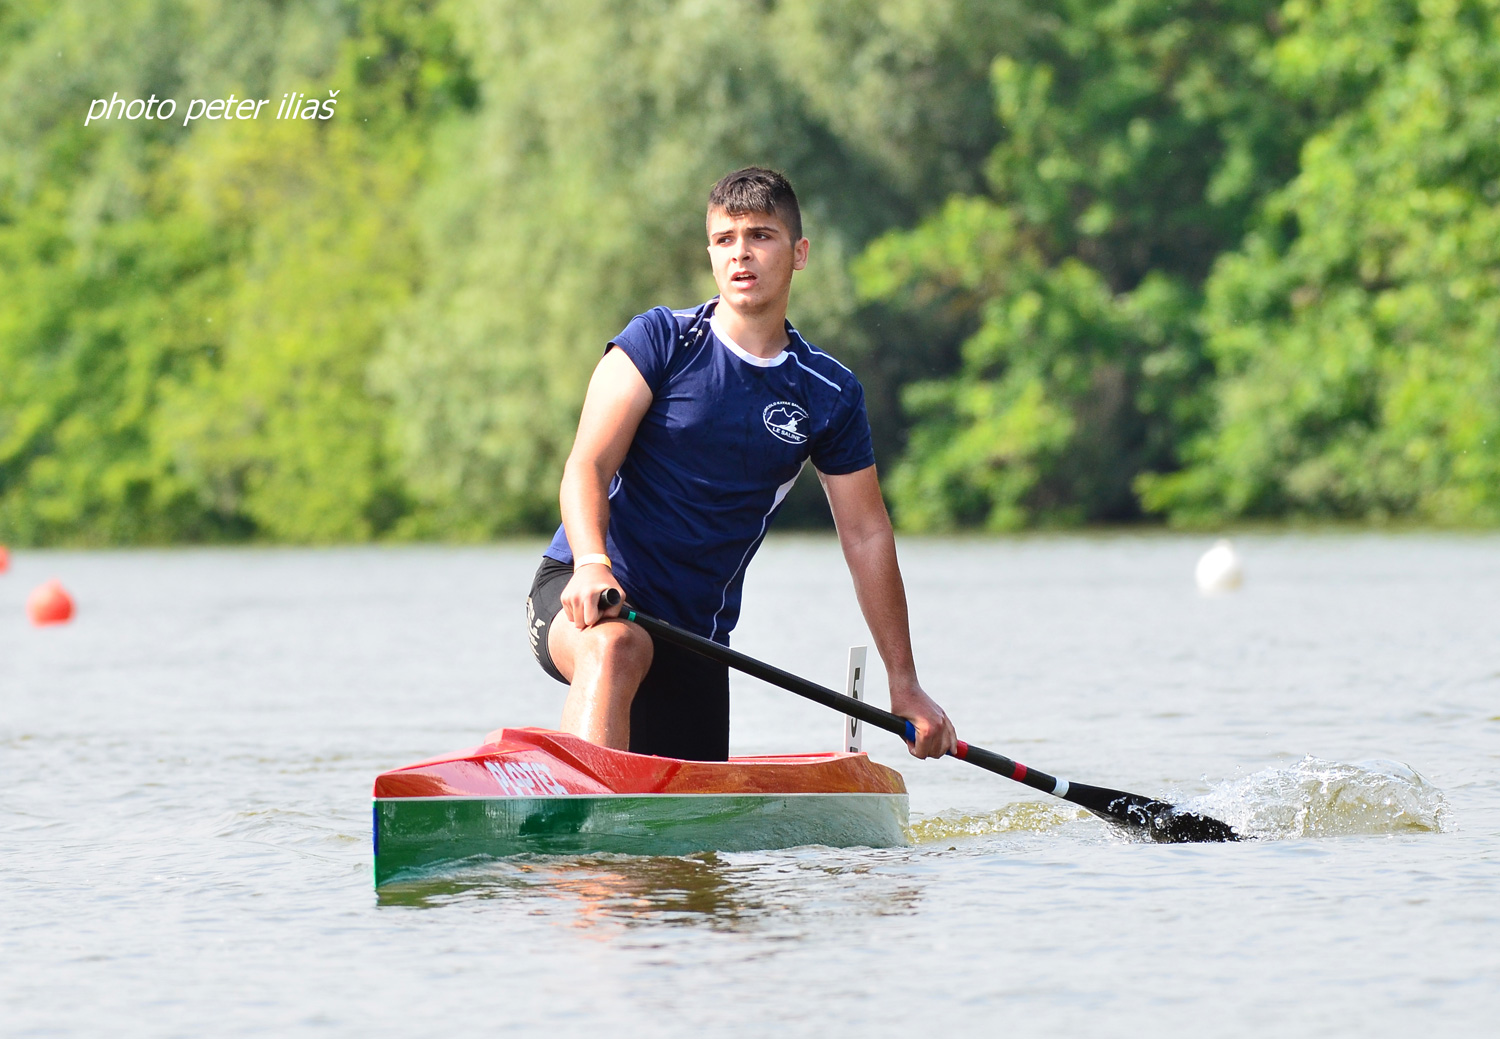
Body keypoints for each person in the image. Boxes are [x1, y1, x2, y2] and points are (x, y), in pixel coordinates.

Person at [525, 167, 957, 762]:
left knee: (692, 856)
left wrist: (903, 682)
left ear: (799, 252)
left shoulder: (827, 392)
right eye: (725, 240)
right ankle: (577, 831)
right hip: (590, 596)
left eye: (761, 236)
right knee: (617, 647)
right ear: (709, 253)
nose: (741, 255)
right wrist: (593, 565)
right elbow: (586, 468)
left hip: (696, 641)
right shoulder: (660, 342)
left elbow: (865, 533)